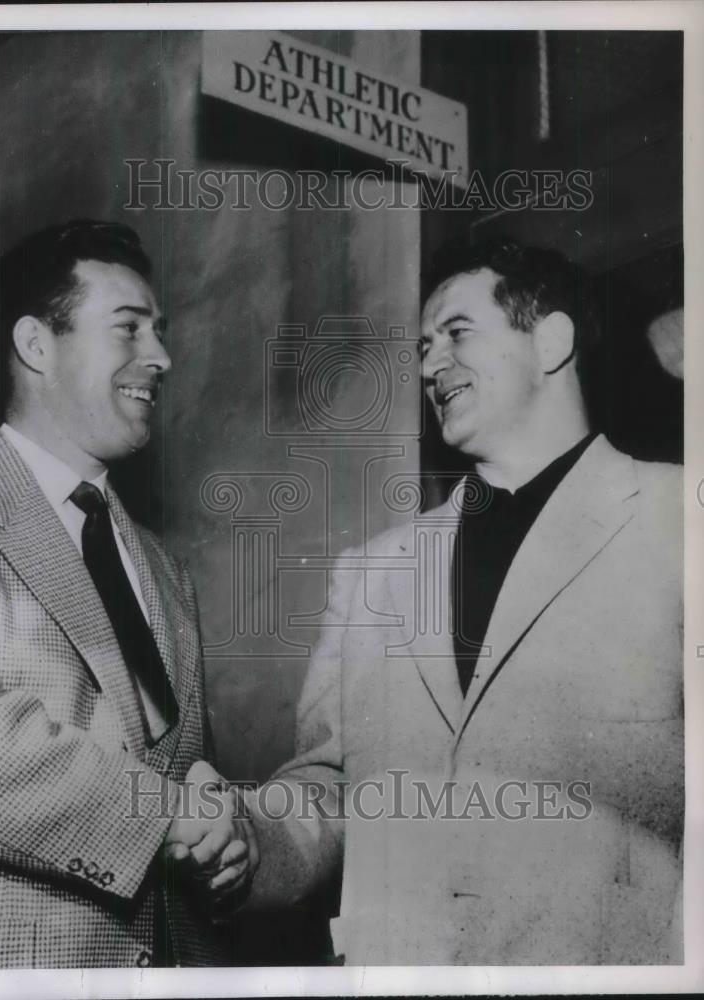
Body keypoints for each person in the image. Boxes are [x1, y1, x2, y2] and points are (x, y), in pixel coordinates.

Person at [245, 239, 683, 964]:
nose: (428, 366)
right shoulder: (371, 572)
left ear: (551, 341)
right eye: (421, 346)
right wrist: (244, 839)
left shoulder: (680, 517)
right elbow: (328, 787)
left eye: (455, 333)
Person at [0, 220, 256, 969]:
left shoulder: (163, 568)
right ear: (36, 345)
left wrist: (222, 825)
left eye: (160, 331)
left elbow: (175, 783)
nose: (162, 357)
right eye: (129, 329)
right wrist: (169, 813)